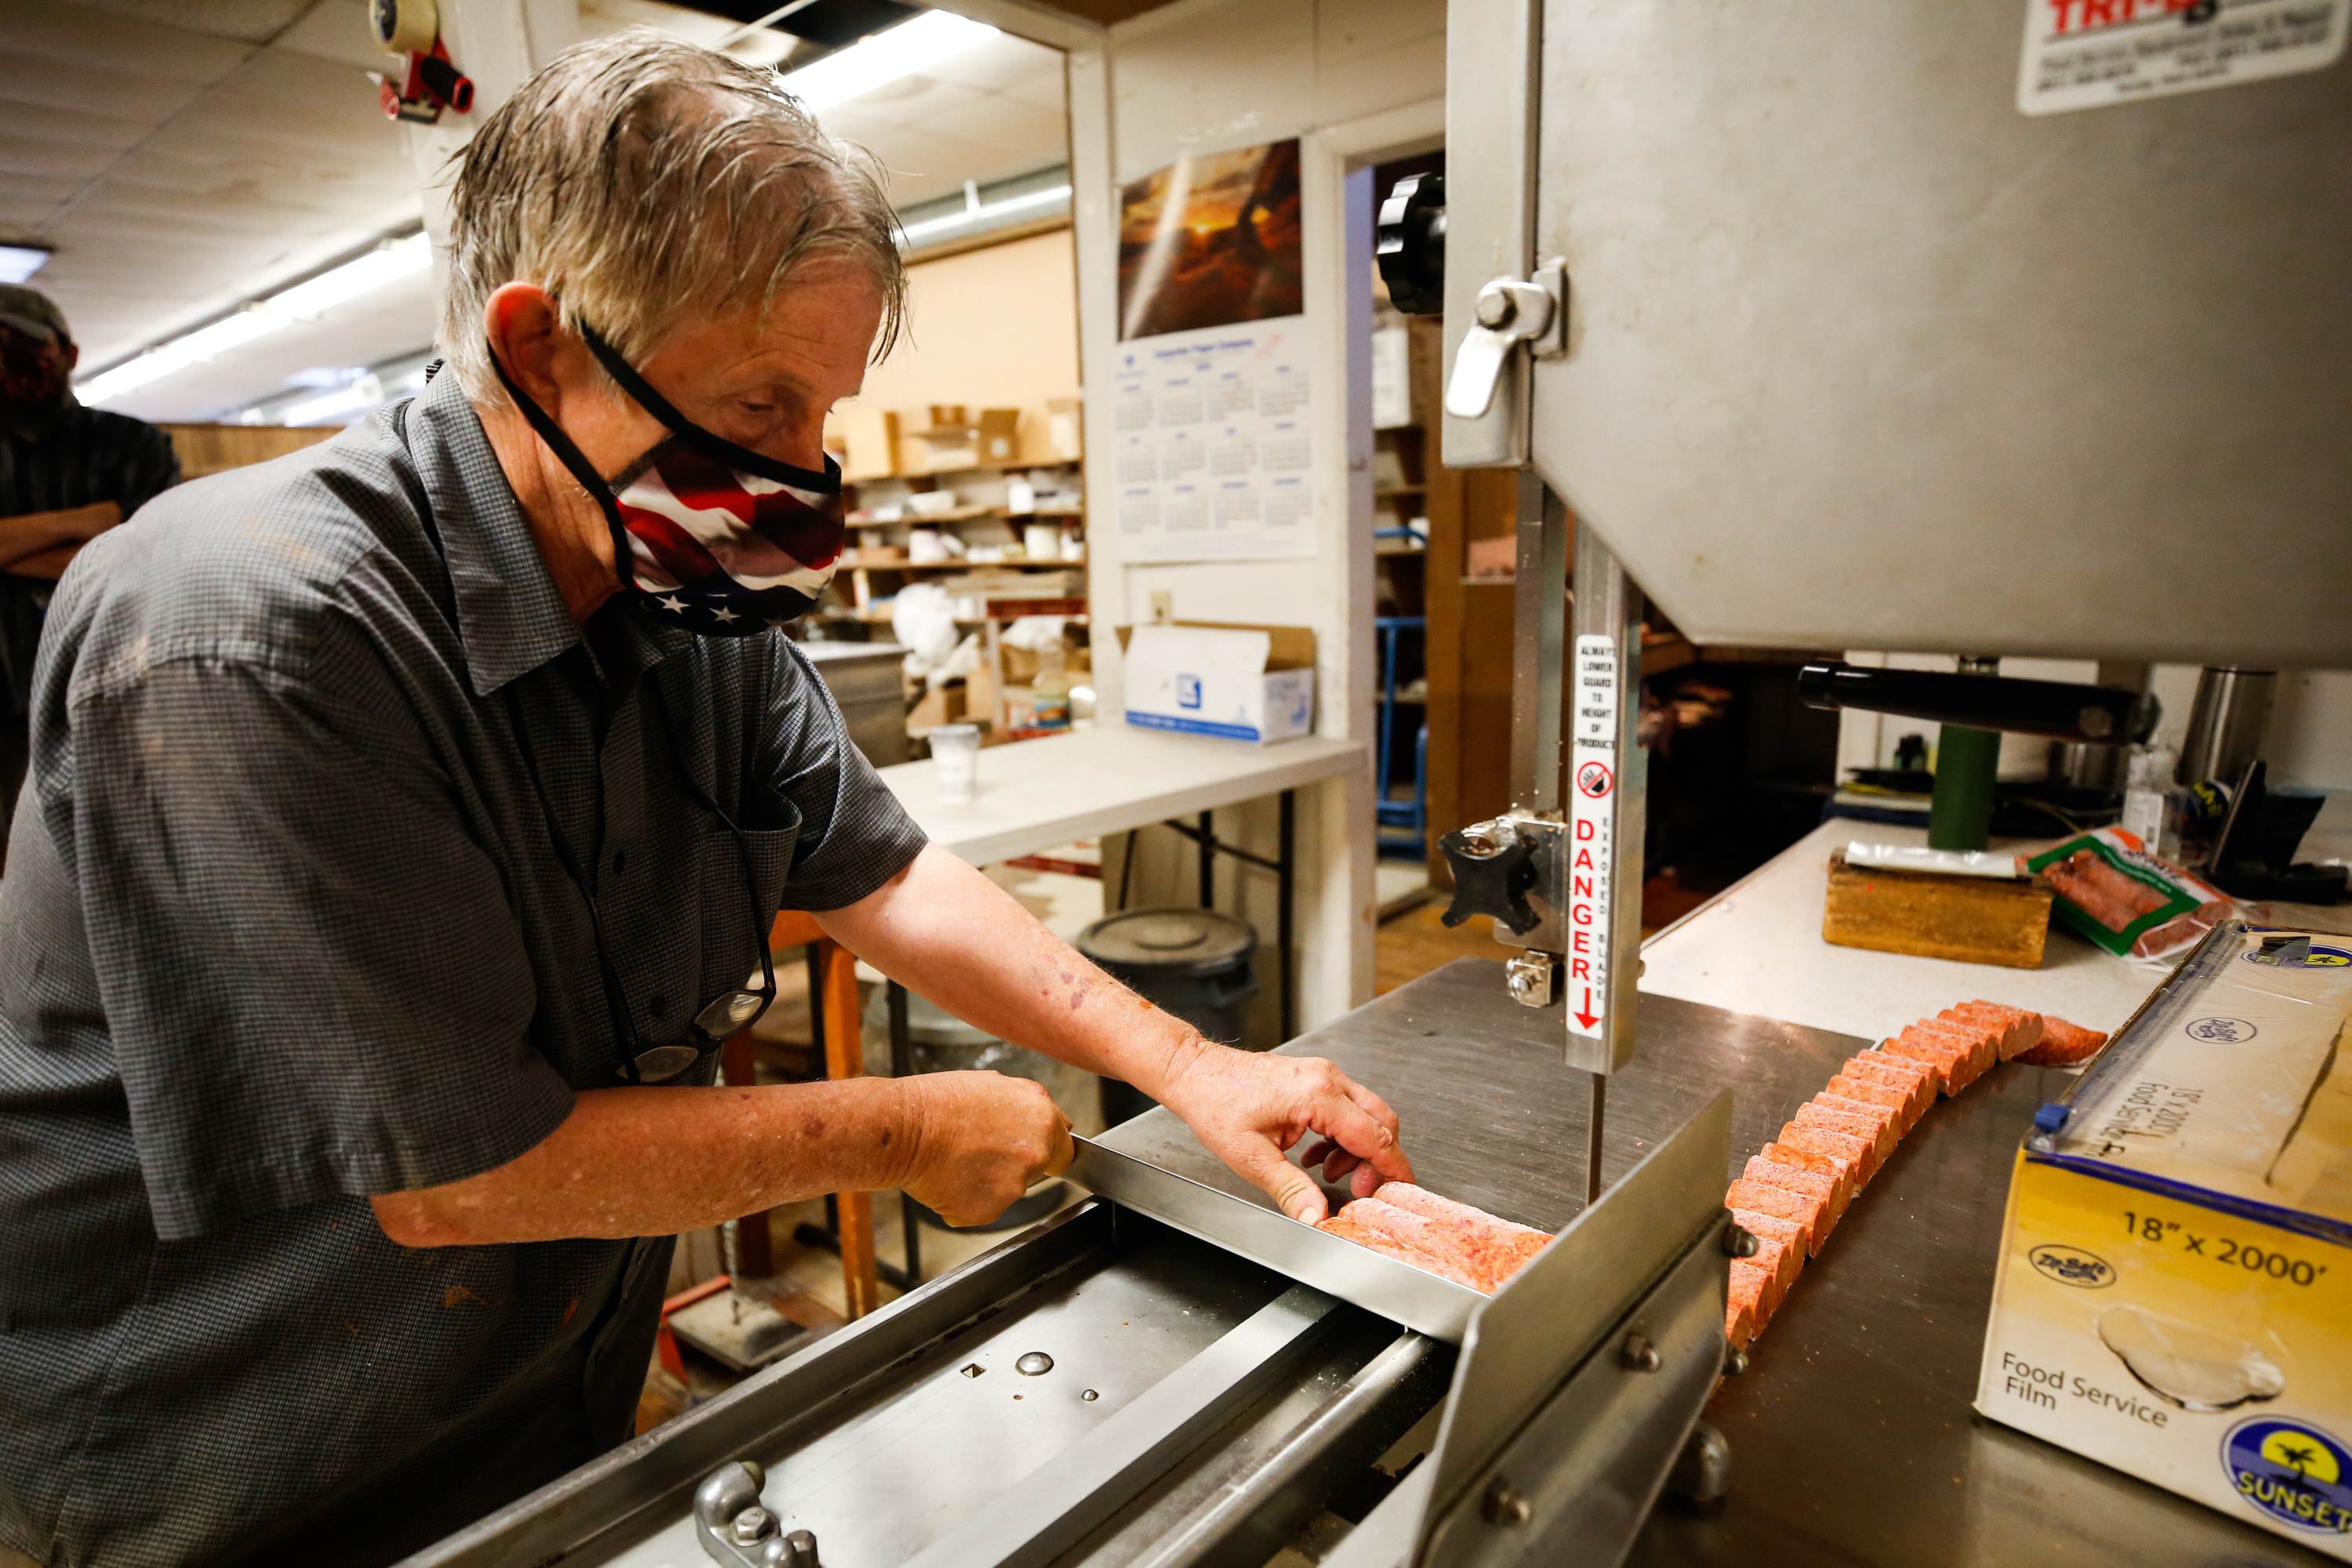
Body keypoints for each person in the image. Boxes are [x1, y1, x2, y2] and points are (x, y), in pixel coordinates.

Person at [0, 31, 1411, 1568]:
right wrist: (906, 1127)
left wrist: (1193, 1065)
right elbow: (455, 1176)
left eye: (824, 414)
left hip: (524, 1401)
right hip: (213, 1454)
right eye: (754, 409)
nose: (800, 478)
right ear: (540, 350)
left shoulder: (684, 600)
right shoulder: (245, 633)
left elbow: (883, 870)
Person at [0, 284, 179, 848]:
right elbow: (115, 544)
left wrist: (12, 549)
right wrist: (86, 522)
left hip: (116, 690)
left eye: (24, 349)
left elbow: (149, 553)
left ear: (68, 354)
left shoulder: (135, 444)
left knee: (125, 845)